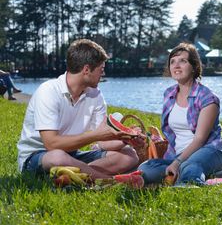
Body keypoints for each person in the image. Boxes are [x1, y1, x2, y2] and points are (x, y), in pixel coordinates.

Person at [17, 39, 141, 179]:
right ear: (86, 70)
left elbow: (102, 142)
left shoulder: (95, 95)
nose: (103, 75)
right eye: (101, 70)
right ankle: (106, 180)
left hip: (71, 155)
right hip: (38, 157)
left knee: (129, 155)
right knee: (58, 157)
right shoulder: (49, 91)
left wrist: (125, 139)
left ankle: (74, 176)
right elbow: (51, 144)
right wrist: (95, 136)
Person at [138, 42, 222, 186]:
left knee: (190, 165)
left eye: (183, 61)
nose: (176, 65)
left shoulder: (208, 98)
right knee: (145, 168)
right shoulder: (169, 94)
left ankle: (189, 183)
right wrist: (174, 160)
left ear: (194, 67)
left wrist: (177, 162)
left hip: (209, 150)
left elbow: (199, 139)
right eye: (172, 62)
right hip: (178, 154)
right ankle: (213, 175)